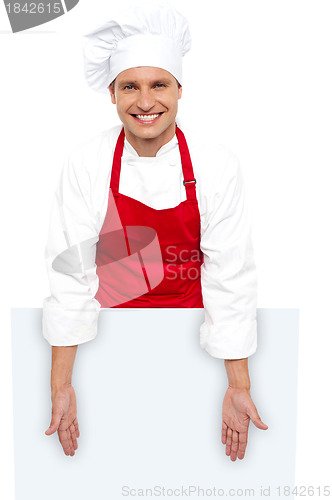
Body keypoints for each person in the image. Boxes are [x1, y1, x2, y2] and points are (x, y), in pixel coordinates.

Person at [43, 0, 268, 461]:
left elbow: (230, 276)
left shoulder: (214, 163)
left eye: (159, 84)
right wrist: (62, 383)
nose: (145, 103)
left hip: (196, 346)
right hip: (106, 347)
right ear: (112, 93)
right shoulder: (87, 162)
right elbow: (70, 277)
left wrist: (237, 384)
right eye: (130, 87)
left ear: (180, 88)